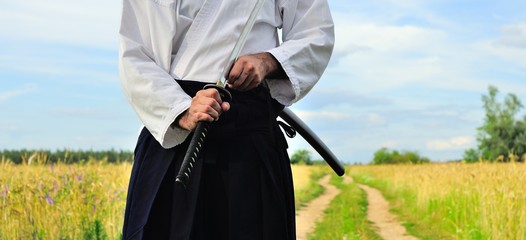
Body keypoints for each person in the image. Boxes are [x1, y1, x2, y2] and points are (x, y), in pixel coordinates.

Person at [118, 0, 334, 239]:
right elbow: (134, 55)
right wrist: (181, 110)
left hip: (248, 137)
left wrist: (268, 61)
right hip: (171, 131)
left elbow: (316, 32)